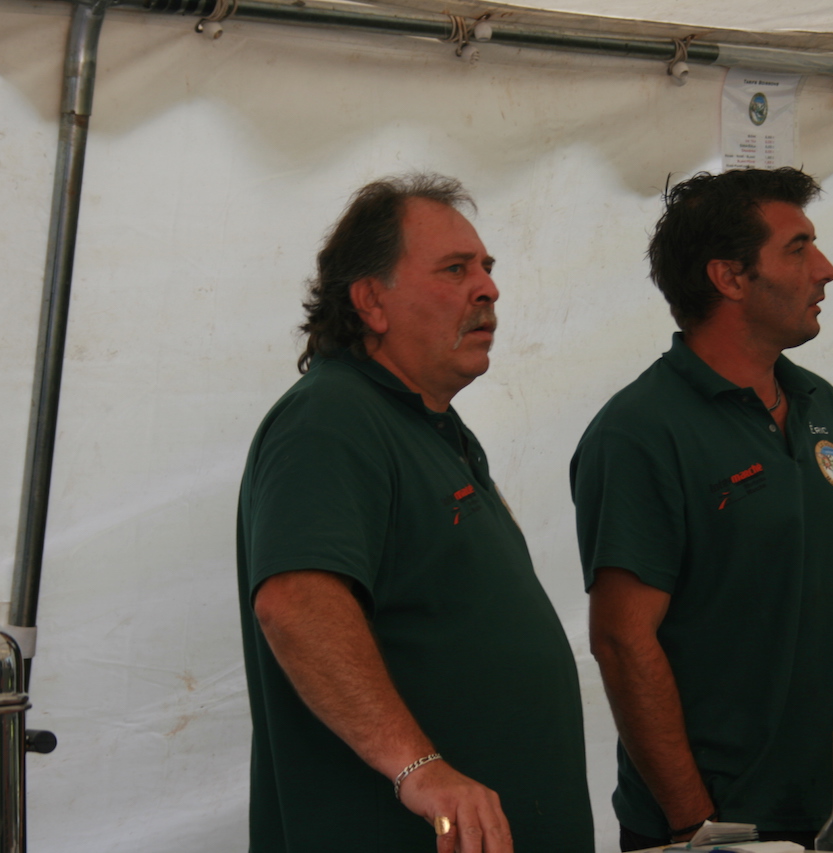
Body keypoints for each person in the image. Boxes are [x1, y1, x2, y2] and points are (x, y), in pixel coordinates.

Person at [237, 173, 594, 853]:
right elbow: (296, 602)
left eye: (487, 267)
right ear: (371, 300)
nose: (487, 288)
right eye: (456, 269)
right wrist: (419, 768)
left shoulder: (432, 428)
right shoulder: (331, 417)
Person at [570, 168, 833, 852]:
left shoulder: (820, 402)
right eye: (798, 248)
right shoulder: (640, 431)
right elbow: (622, 640)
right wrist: (697, 826)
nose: (826, 269)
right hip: (731, 826)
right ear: (728, 277)